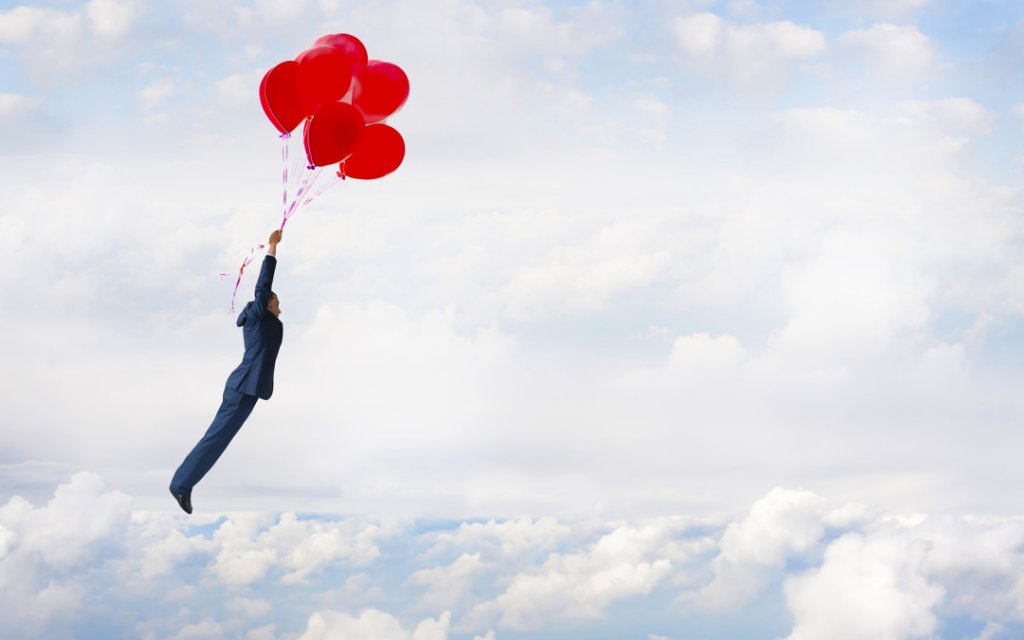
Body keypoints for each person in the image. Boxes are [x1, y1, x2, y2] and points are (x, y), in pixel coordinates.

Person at [170, 229, 284, 514]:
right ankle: (180, 485)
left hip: (250, 388)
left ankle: (184, 483)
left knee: (220, 441)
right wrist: (272, 248)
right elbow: (263, 285)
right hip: (243, 386)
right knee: (216, 438)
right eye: (277, 303)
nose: (280, 310)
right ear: (268, 302)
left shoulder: (264, 319)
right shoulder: (259, 314)